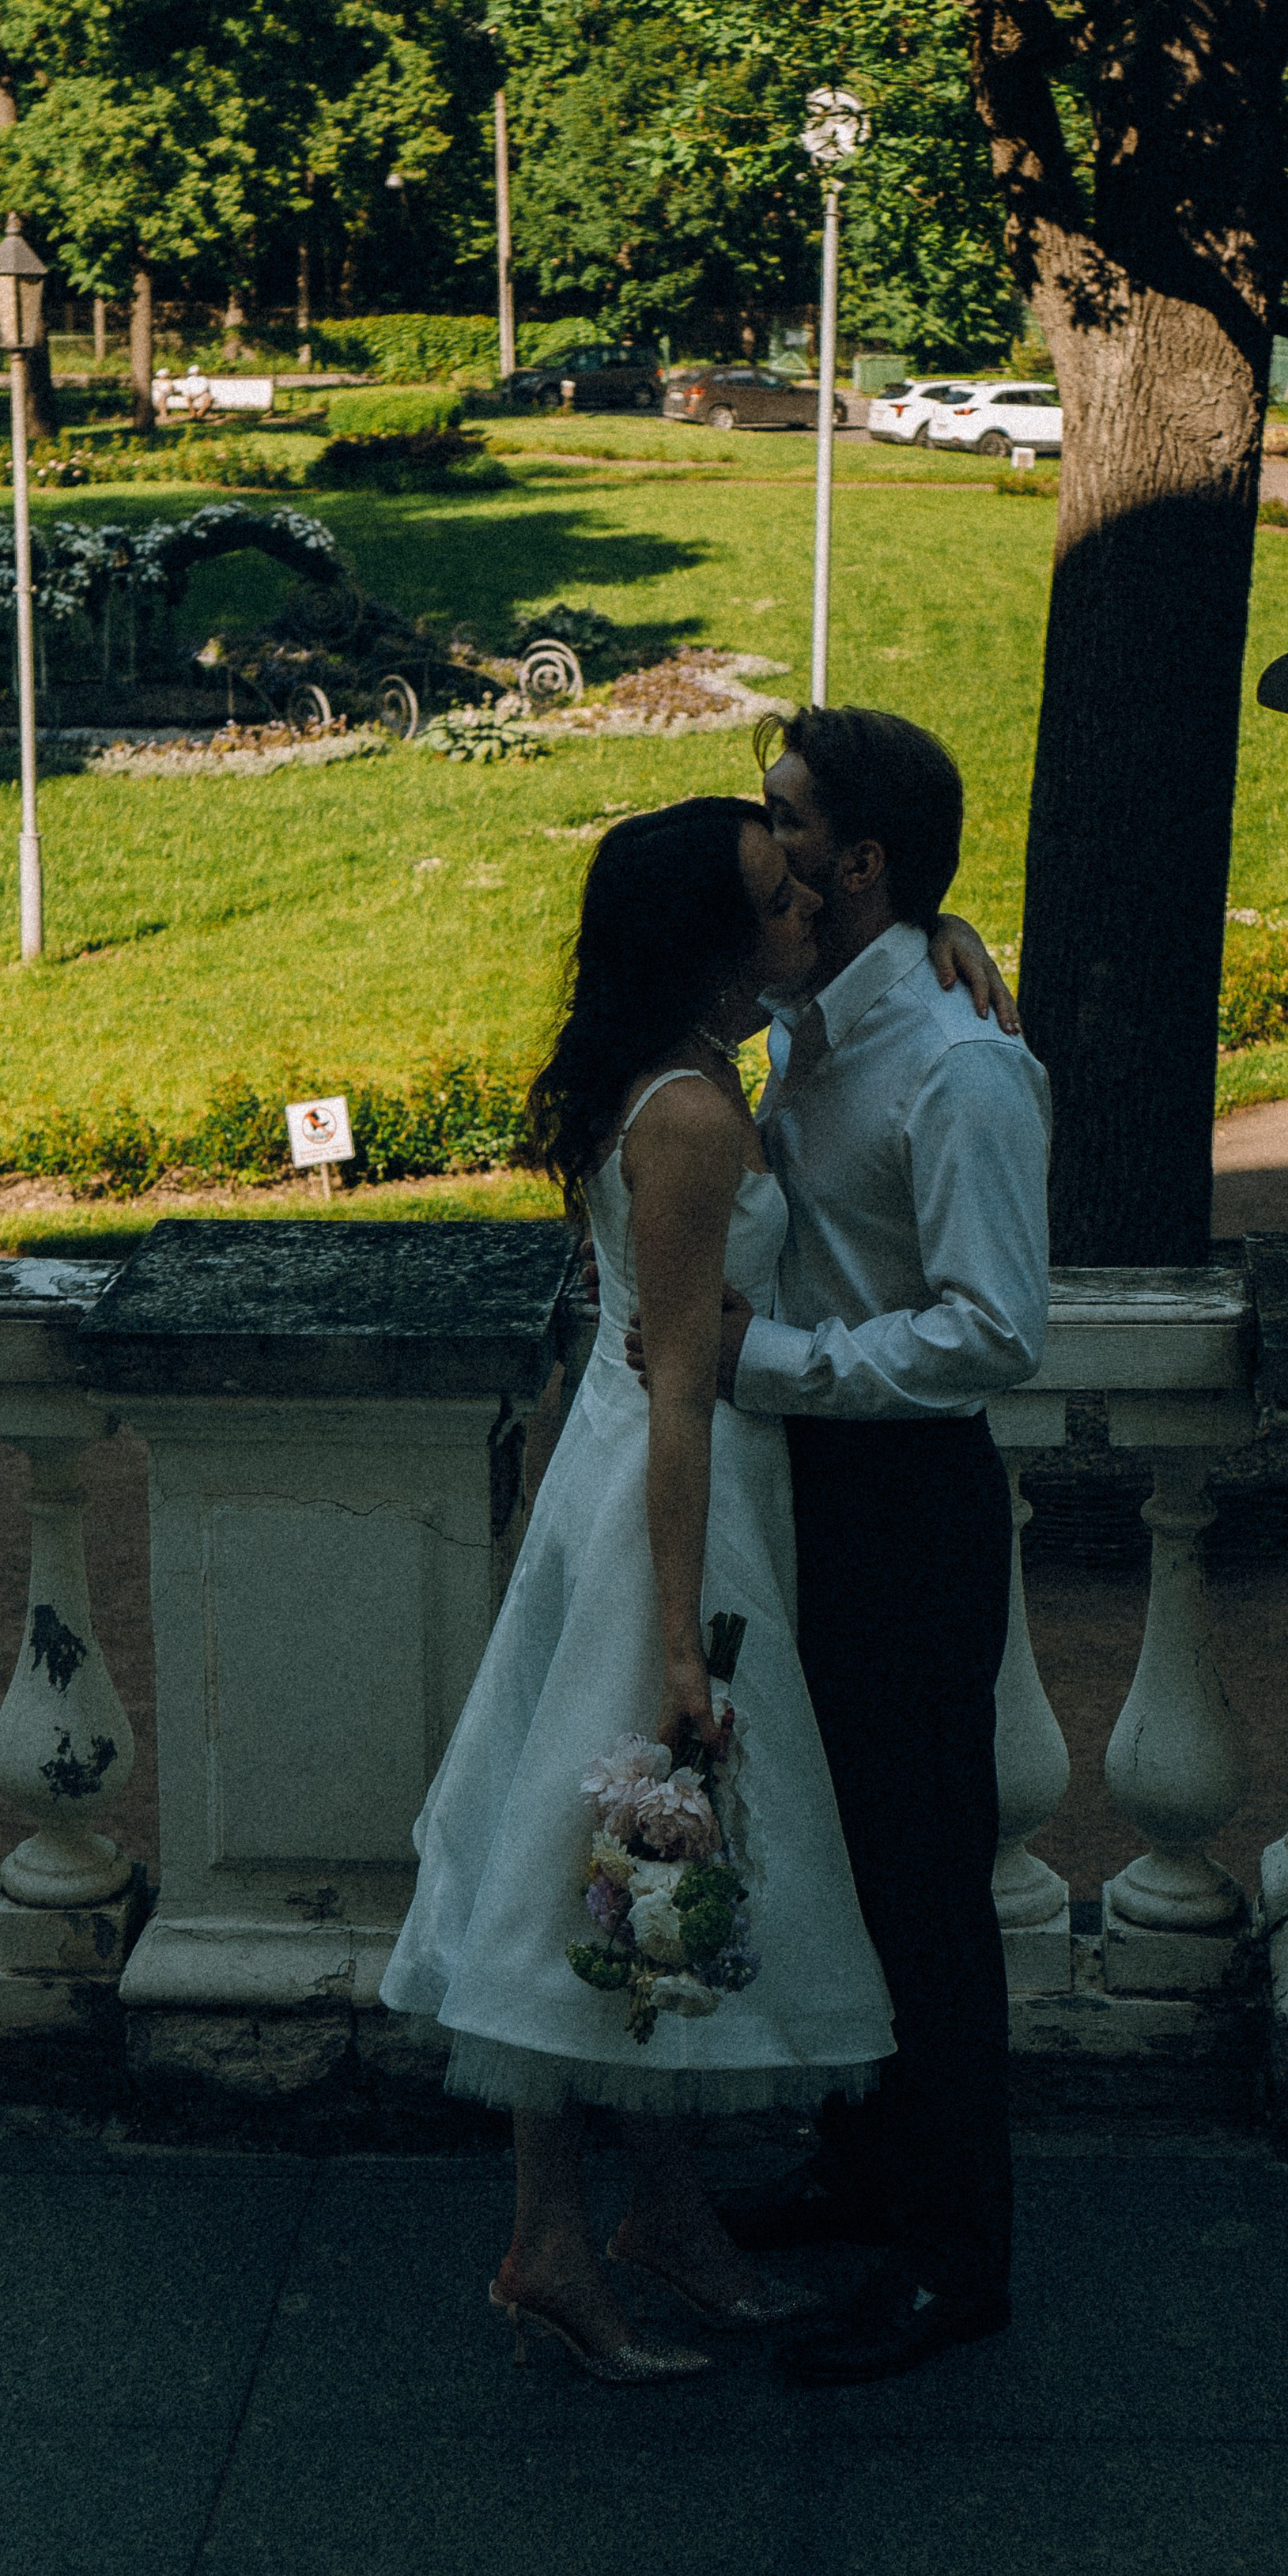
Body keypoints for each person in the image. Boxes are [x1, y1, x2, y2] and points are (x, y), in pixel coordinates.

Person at [379, 796, 895, 2385]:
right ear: (707, 947)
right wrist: (678, 1636)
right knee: (599, 1859)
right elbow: (680, 1384)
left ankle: (662, 2214)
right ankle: (548, 2240)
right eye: (776, 899)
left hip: (642, 1482)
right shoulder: (685, 1116)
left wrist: (937, 936)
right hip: (672, 1507)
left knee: (645, 1862)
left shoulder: (694, 1065)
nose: (804, 909)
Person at [645, 707, 1051, 2385]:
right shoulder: (812, 1018)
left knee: (923, 1884)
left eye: (788, 816)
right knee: (836, 1856)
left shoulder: (960, 1065)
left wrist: (770, 1363)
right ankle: (864, 2164)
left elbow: (994, 1331)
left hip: (901, 1505)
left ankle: (954, 2260)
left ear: (861, 861)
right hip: (799, 1490)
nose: (766, 838)